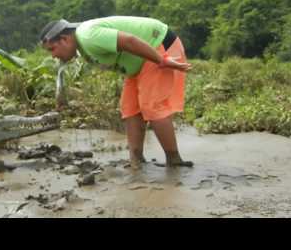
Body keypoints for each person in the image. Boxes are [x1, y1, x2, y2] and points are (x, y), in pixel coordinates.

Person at [39, 16, 193, 170]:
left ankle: (174, 159)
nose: (53, 55)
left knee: (152, 106)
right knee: (130, 108)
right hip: (138, 62)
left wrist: (161, 60)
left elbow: (129, 41)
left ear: (65, 39)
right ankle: (136, 160)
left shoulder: (88, 36)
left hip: (157, 46)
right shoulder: (80, 44)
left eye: (52, 49)